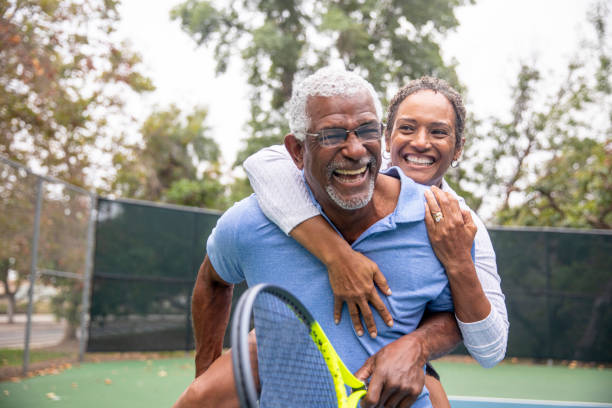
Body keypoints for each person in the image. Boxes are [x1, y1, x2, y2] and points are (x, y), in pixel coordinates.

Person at [174, 67, 465, 408]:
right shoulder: (248, 224)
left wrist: (418, 346)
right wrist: (205, 372)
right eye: (332, 135)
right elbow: (212, 280)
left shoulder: (439, 223)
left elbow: (456, 316)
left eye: (367, 130)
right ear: (296, 151)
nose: (355, 150)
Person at [242, 76, 509, 403]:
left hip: (401, 361)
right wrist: (338, 256)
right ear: (386, 136)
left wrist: (456, 262)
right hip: (299, 350)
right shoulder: (346, 181)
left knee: (433, 398)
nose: (421, 142)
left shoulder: (464, 225)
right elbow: (262, 163)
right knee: (209, 391)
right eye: (407, 128)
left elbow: (490, 348)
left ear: (458, 148)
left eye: (438, 132)